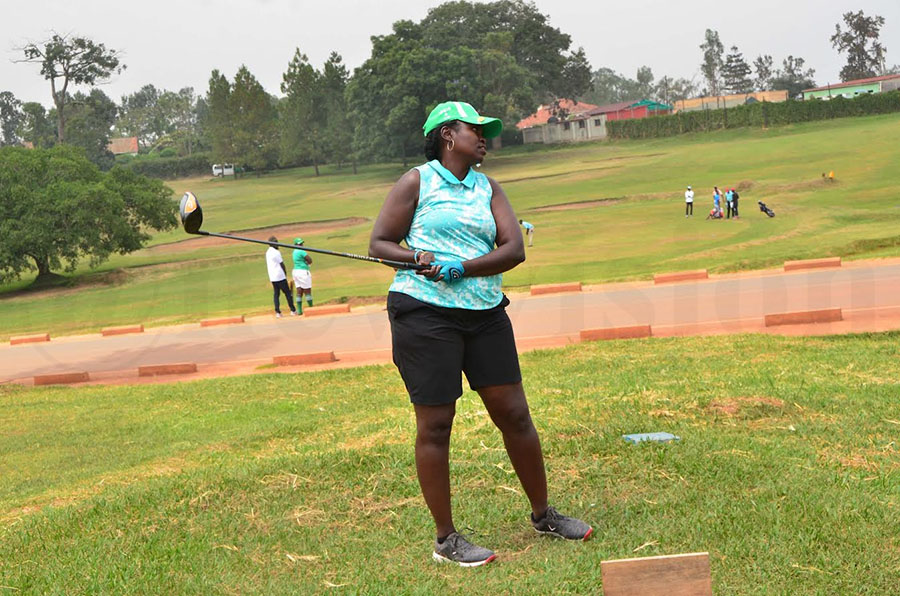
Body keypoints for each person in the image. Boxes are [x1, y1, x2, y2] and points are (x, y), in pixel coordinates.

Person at [369, 100, 592, 567]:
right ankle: (446, 539)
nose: (485, 137)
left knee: (514, 414)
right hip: (424, 314)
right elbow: (380, 245)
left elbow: (514, 250)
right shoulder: (417, 181)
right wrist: (418, 258)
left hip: (485, 312)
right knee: (436, 424)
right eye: (476, 130)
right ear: (448, 135)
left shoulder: (489, 187)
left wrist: (462, 268)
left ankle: (543, 514)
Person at [265, 236, 296, 318]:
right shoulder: (276, 252)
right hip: (279, 276)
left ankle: (278, 312)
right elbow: (281, 264)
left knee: (276, 294)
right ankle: (293, 310)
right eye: (276, 242)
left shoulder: (268, 252)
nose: (277, 244)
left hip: (272, 277)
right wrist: (285, 273)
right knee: (288, 293)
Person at [291, 237, 313, 314]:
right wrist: (308, 263)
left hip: (295, 271)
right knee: (307, 290)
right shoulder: (302, 251)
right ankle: (311, 309)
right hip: (303, 271)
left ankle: (299, 310)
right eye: (300, 244)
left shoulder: (294, 252)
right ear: (296, 244)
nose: (302, 245)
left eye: (301, 243)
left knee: (299, 290)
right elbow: (310, 260)